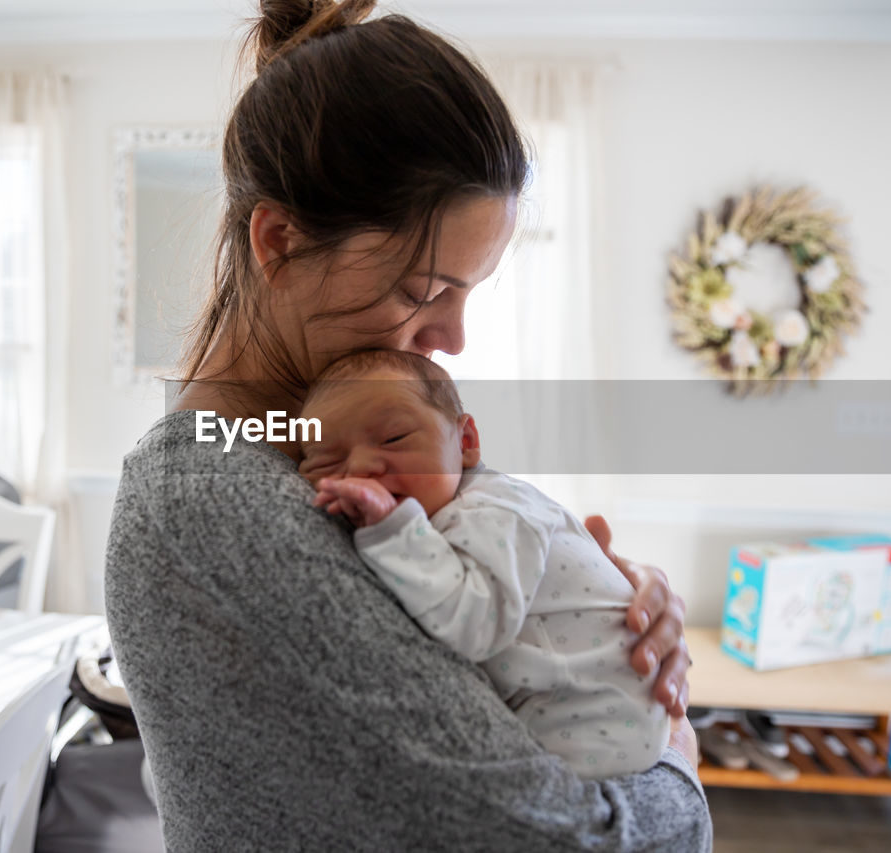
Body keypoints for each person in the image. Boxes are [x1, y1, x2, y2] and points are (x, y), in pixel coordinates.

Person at [104, 0, 711, 849]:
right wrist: (677, 759)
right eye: (423, 292)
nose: (452, 338)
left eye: (468, 294)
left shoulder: (294, 452)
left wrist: (598, 619)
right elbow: (565, 838)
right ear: (279, 242)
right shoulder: (214, 500)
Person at [299, 349, 670, 781]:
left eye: (394, 438)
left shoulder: (493, 511)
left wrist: (391, 528)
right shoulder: (450, 511)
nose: (362, 467)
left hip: (596, 722)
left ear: (466, 442)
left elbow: (473, 626)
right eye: (327, 460)